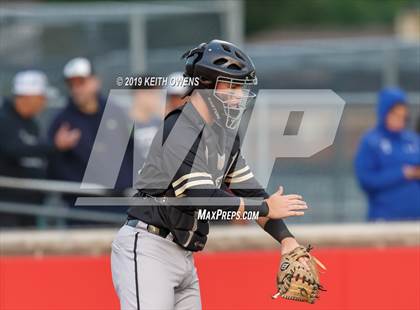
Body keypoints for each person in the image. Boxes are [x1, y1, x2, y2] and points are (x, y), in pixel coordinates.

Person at [111, 40, 309, 309]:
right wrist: (263, 207)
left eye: (241, 87)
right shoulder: (179, 126)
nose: (239, 95)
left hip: (183, 253)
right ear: (206, 85)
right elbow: (202, 198)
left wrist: (287, 240)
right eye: (232, 86)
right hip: (149, 247)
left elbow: (251, 193)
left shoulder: (224, 135)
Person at [0, 70, 79, 227]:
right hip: (8, 207)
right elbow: (13, 148)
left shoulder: (31, 124)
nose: (44, 103)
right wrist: (54, 146)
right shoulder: (4, 119)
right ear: (28, 96)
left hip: (28, 205)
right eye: (41, 97)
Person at [48, 58, 133, 199]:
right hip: (83, 205)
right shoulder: (63, 121)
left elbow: (131, 148)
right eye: (71, 84)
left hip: (120, 200)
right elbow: (55, 165)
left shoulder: (115, 112)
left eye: (81, 82)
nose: (76, 89)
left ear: (95, 81)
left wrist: (127, 182)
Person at [355, 88, 420, 221]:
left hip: (415, 220)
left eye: (403, 116)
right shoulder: (371, 142)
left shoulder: (412, 140)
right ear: (384, 113)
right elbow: (366, 180)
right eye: (395, 115)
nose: (399, 120)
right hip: (385, 221)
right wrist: (403, 173)